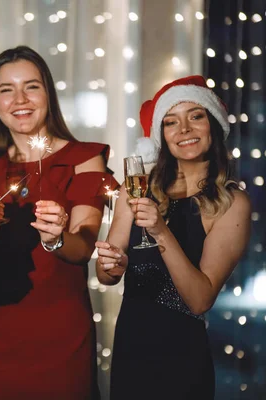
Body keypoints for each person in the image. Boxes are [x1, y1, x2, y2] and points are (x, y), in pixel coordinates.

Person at [0, 45, 115, 399]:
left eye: (31, 86)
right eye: (6, 90)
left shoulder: (83, 159)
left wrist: (57, 238)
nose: (20, 99)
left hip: (61, 337)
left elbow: (83, 249)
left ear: (48, 94)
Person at [96, 75, 251, 399]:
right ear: (161, 135)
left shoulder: (231, 203)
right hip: (131, 347)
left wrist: (160, 230)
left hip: (181, 356)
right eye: (171, 122)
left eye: (195, 116)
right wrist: (112, 263)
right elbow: (106, 275)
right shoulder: (136, 187)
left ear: (214, 124)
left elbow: (199, 300)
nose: (184, 130)